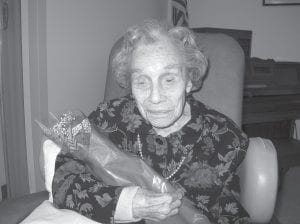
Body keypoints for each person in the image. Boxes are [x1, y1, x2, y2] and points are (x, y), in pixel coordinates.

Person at [51, 20, 250, 224]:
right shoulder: (108, 118)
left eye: (169, 79)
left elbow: (230, 212)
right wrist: (127, 204)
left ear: (189, 80)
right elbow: (62, 182)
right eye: (142, 81)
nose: (155, 97)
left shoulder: (223, 137)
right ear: (130, 84)